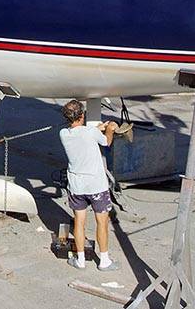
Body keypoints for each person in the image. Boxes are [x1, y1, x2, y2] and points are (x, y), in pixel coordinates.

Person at [59, 99, 119, 270]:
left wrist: (96, 129)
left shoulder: (63, 134)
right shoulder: (90, 133)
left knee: (79, 223)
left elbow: (83, 134)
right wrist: (110, 129)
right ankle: (104, 261)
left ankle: (80, 260)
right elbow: (106, 142)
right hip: (96, 185)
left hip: (77, 186)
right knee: (102, 222)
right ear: (82, 116)